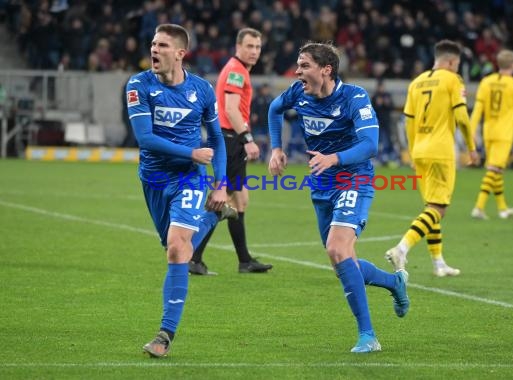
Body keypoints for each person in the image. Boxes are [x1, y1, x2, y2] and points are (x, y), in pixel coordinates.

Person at [268, 42, 409, 353]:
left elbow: (370, 144)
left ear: (326, 70)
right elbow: (274, 108)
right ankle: (394, 282)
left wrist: (334, 158)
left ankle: (368, 336)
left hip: (353, 178)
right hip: (321, 185)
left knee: (337, 247)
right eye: (298, 65)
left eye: (304, 65)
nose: (297, 71)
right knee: (341, 261)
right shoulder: (297, 93)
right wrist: (276, 148)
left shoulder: (354, 97)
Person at [126, 24, 235, 358]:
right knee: (173, 246)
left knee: (177, 249)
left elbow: (216, 138)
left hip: (189, 178)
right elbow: (144, 138)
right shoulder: (138, 85)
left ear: (179, 53)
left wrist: (220, 182)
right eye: (152, 44)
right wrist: (191, 151)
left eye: (161, 45)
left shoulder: (201, 90)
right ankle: (213, 217)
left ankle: (164, 334)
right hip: (154, 180)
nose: (154, 50)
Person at [385, 40, 479, 277]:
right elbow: (462, 117)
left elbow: (408, 121)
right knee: (439, 208)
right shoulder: (452, 80)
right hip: (441, 151)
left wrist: (412, 151)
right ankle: (401, 248)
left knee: (431, 207)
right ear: (450, 62)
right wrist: (471, 147)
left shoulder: (416, 83)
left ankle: (438, 263)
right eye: (456, 64)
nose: (457, 69)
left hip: (420, 151)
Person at [189, 28, 273, 275]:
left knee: (240, 199)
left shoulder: (237, 69)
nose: (254, 52)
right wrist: (247, 138)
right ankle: (194, 256)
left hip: (229, 140)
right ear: (238, 47)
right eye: (250, 46)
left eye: (258, 47)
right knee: (221, 198)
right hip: (230, 141)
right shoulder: (236, 71)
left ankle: (244, 260)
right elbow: (231, 109)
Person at [470, 49, 513, 220]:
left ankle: (502, 209)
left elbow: (477, 110)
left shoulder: (486, 82)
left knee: (496, 171)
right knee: (493, 169)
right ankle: (478, 207)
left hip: (488, 131)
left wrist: (471, 131)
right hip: (504, 133)